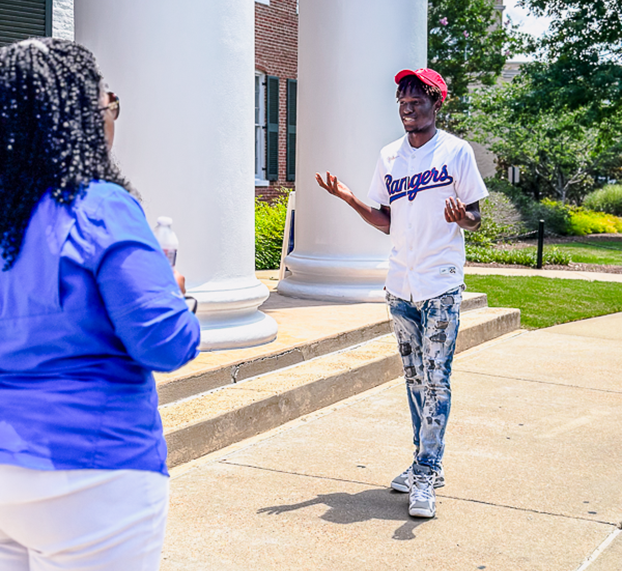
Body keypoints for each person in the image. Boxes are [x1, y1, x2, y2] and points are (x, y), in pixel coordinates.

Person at [0, 38, 201, 569]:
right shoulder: (100, 205)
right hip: (93, 469)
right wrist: (175, 299)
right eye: (105, 104)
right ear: (81, 118)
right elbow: (164, 344)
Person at [316, 68, 488, 518]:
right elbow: (387, 220)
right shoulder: (390, 156)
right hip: (400, 285)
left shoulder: (455, 152)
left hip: (440, 282)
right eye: (402, 103)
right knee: (414, 378)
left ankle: (427, 471)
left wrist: (461, 218)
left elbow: (475, 216)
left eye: (416, 102)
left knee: (437, 378)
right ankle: (423, 462)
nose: (408, 109)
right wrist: (350, 199)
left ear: (437, 104)